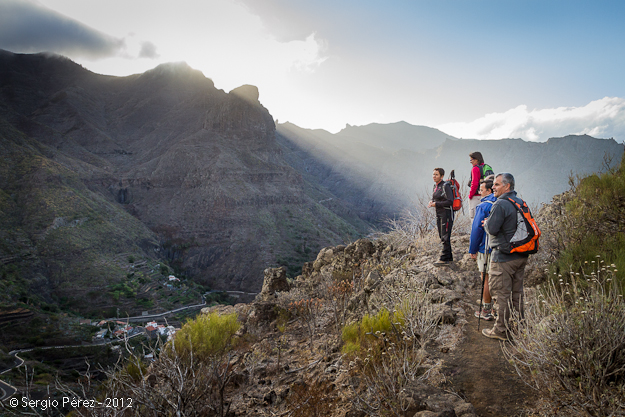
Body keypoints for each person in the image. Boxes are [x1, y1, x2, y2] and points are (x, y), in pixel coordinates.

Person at [482, 173, 529, 341]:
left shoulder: (501, 203)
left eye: (496, 184)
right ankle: (520, 328)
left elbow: (492, 229)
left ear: (507, 186)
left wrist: (486, 223)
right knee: (517, 293)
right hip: (521, 255)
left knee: (501, 294)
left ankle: (501, 330)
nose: (492, 187)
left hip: (503, 257)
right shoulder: (519, 202)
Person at [468, 176, 496, 321]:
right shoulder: (501, 203)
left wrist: (472, 249)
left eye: (482, 189)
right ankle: (496, 307)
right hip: (499, 248)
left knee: (485, 277)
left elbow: (476, 230)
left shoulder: (483, 206)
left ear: (489, 190)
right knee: (496, 278)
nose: (479, 192)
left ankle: (486, 309)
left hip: (485, 248)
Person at [428, 168, 453, 266]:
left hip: (446, 213)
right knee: (442, 235)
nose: (434, 176)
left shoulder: (445, 186)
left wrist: (436, 204)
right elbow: (436, 197)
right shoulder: (436, 185)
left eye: (436, 174)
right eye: (433, 174)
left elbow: (450, 201)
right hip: (439, 213)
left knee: (445, 235)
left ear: (442, 176)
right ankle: (449, 257)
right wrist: (432, 201)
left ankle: (444, 258)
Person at [468, 152, 486, 219]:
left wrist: (470, 195)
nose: (470, 162)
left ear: (476, 159)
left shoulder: (475, 169)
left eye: (471, 159)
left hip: (476, 197)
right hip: (485, 196)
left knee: (474, 219)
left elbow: (474, 183)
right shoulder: (484, 167)